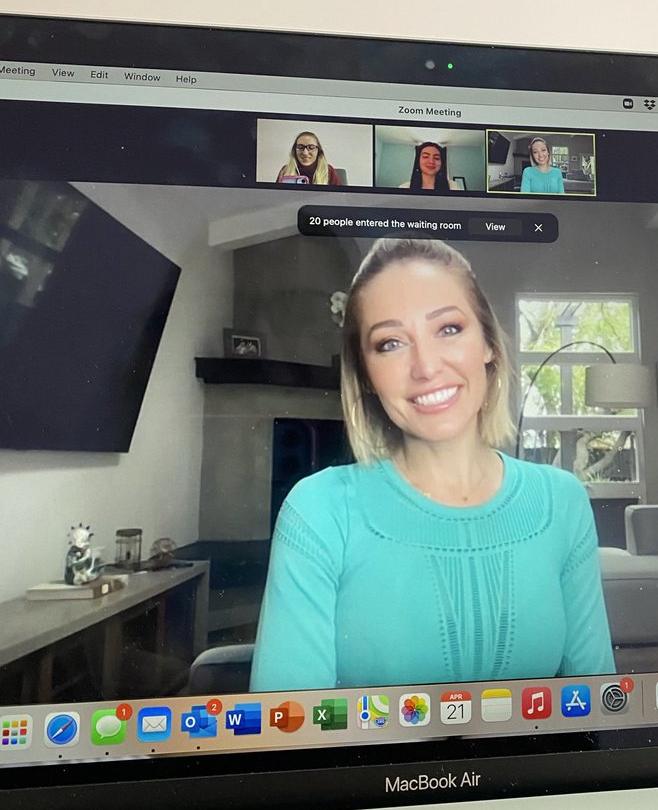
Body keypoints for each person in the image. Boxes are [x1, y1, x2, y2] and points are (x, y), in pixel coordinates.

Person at [250, 237, 615, 691]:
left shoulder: (562, 501)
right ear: (366, 374)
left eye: (448, 329)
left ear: (488, 343)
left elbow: (599, 702)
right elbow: (290, 724)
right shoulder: (318, 511)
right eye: (390, 343)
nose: (425, 367)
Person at [276, 131, 342, 185]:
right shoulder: (285, 171)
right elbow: (276, 195)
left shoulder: (328, 171)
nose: (305, 153)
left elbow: (339, 196)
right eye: (300, 147)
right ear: (294, 151)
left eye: (311, 147)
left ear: (318, 151)